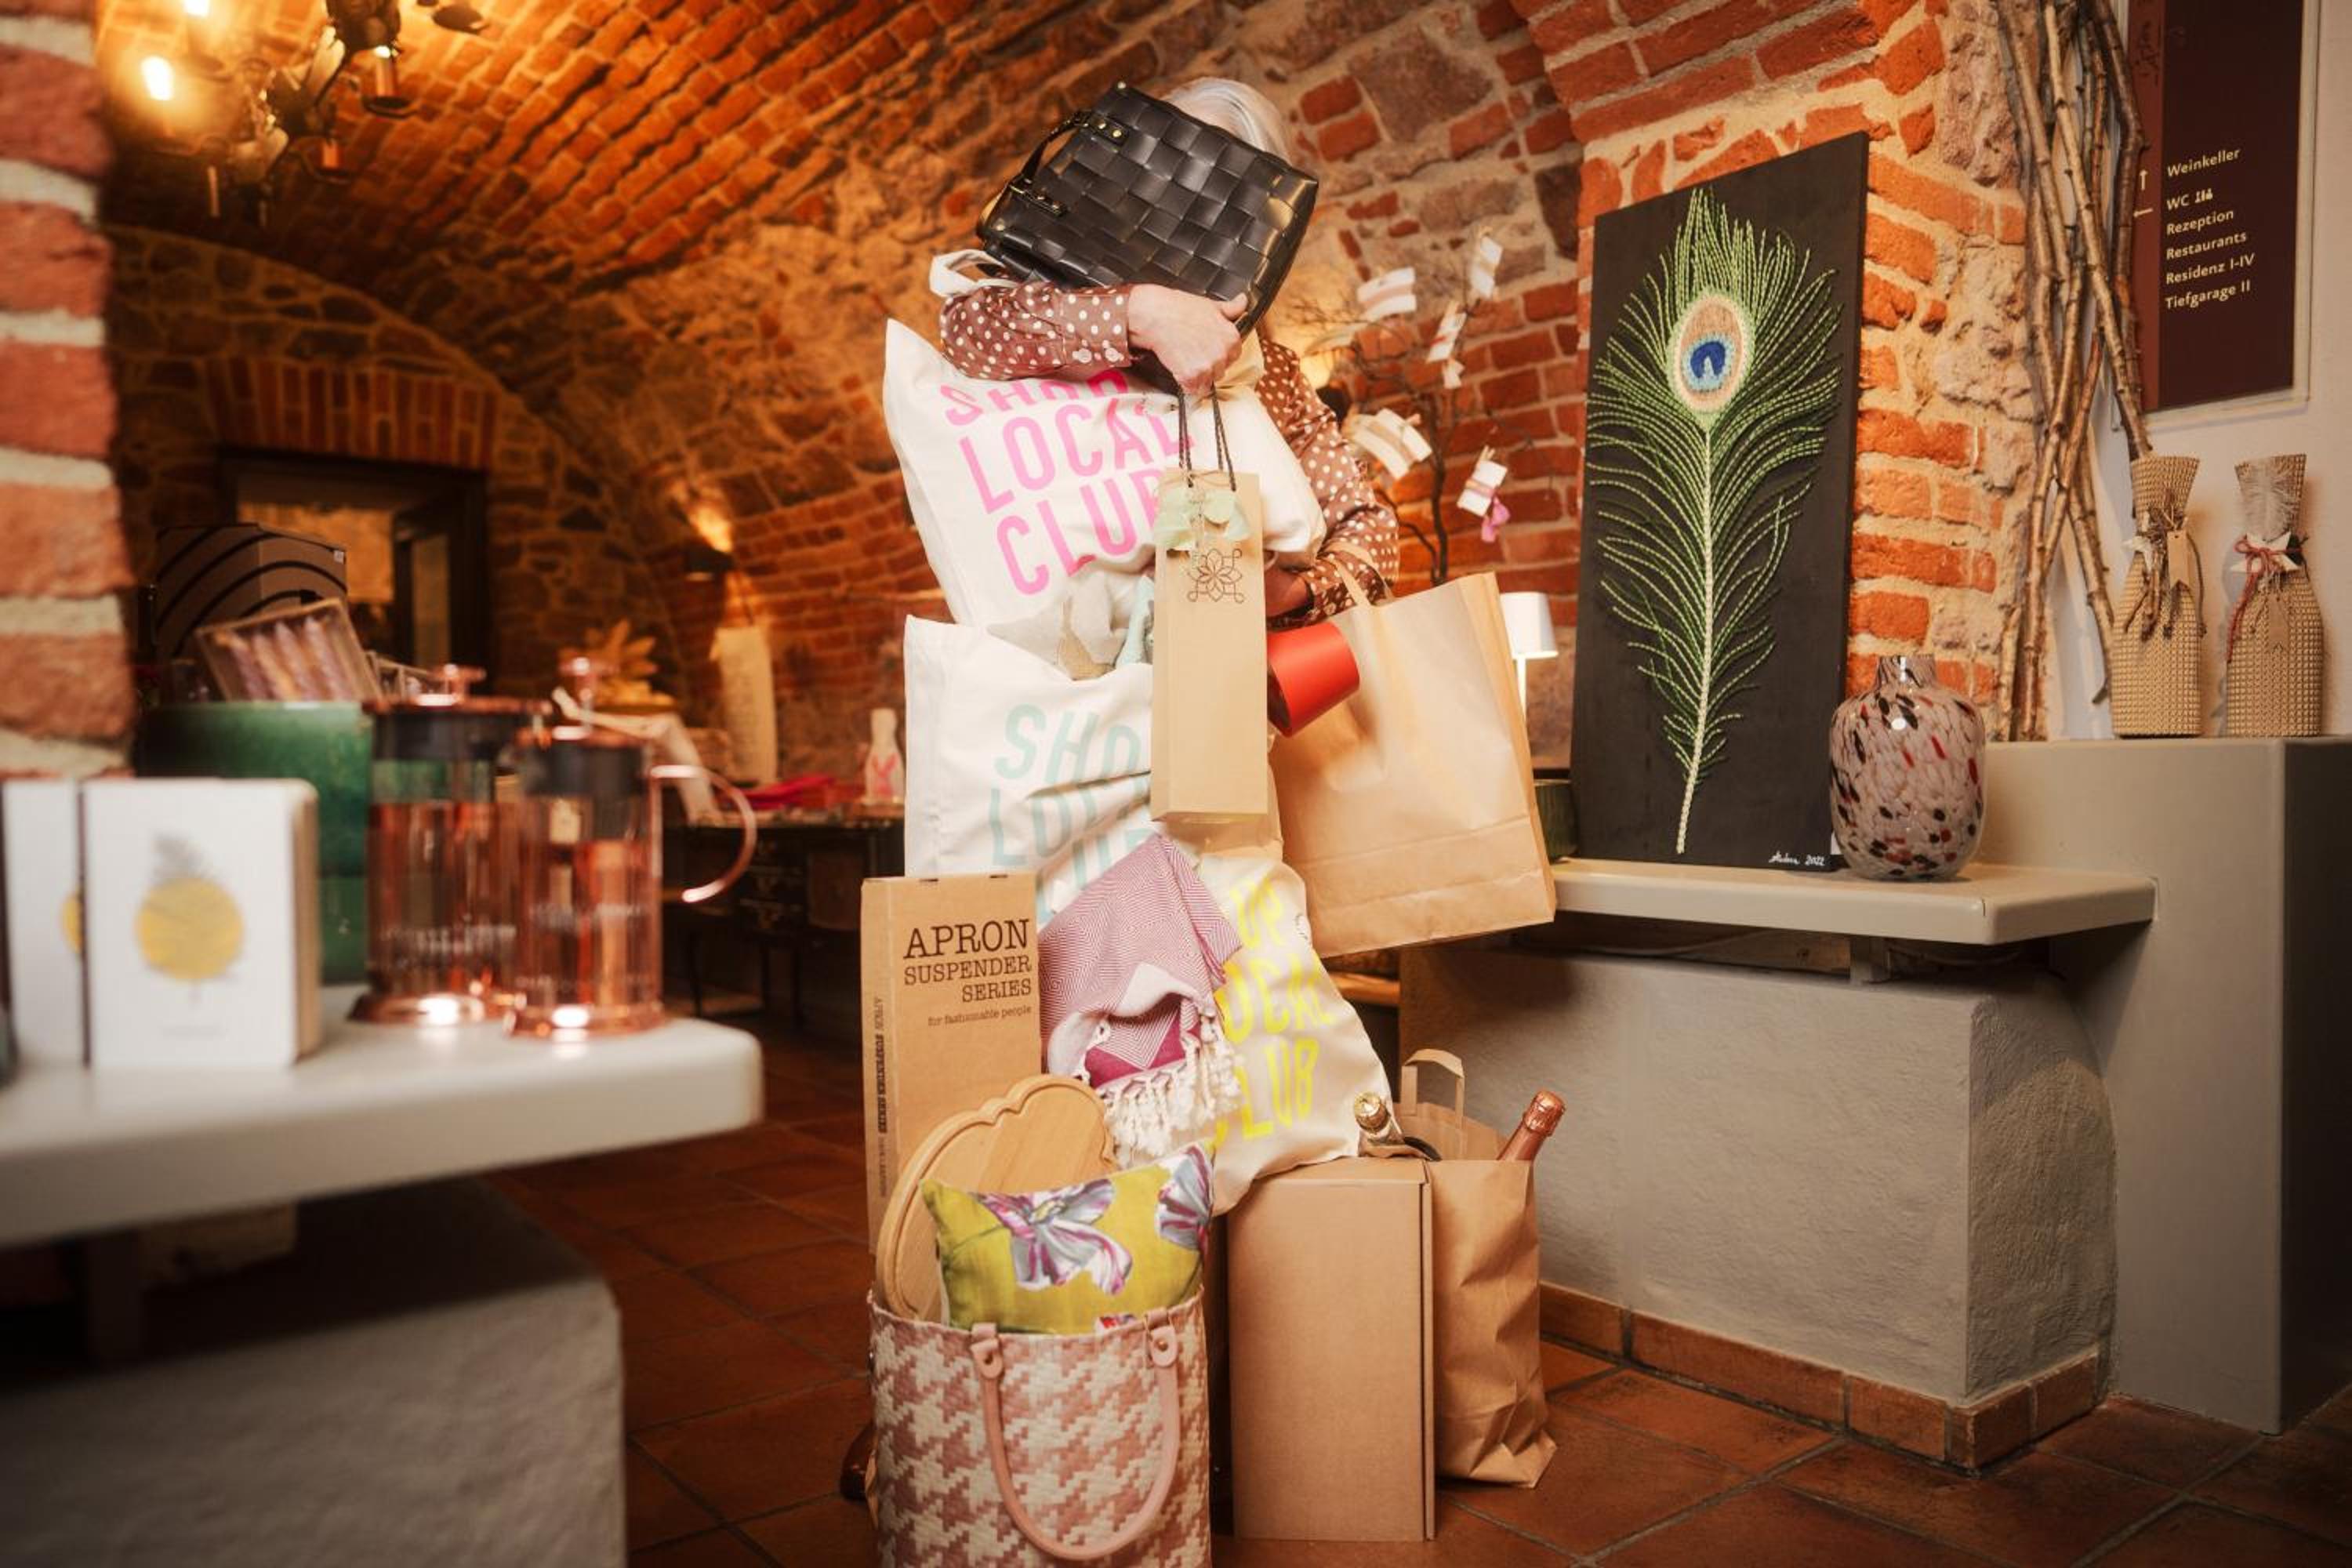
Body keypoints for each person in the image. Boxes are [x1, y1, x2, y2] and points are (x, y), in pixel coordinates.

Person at [938, 78, 1398, 629]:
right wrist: (1139, 313)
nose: (1190, 203)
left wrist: (1287, 594)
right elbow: (966, 333)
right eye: (1173, 166)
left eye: (1228, 193)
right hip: (1061, 666)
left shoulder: (1267, 371)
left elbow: (1370, 531)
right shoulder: (1057, 302)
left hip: (1222, 665)